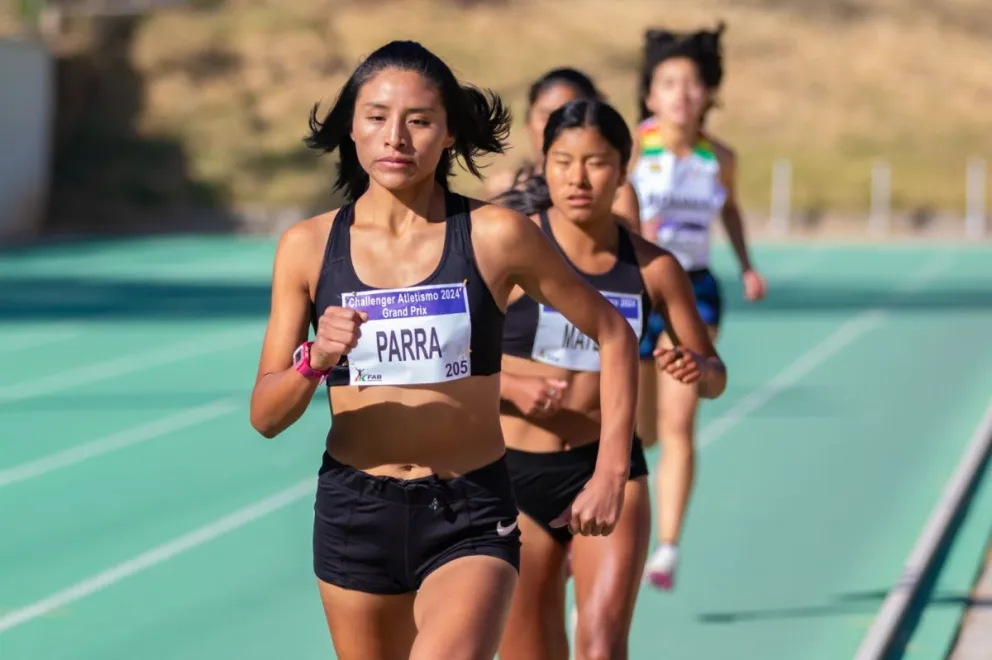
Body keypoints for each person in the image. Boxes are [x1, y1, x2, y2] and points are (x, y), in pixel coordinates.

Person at [247, 40, 640, 660]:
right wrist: (313, 360)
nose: (396, 137)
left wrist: (612, 471)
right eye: (376, 117)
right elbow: (265, 415)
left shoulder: (496, 235)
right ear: (352, 127)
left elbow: (614, 332)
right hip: (357, 511)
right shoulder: (307, 247)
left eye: (420, 120)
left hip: (469, 510)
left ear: (450, 133)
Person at [495, 98, 727, 660]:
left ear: (624, 168)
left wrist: (699, 368)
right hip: (511, 476)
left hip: (609, 468)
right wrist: (513, 388)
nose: (578, 178)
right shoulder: (508, 249)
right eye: (563, 161)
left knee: (600, 646)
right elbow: (458, 360)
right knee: (531, 649)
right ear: (544, 165)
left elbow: (716, 378)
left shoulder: (653, 267)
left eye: (596, 162)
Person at [629, 23, 767, 591]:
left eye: (692, 84)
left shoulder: (720, 158)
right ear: (650, 95)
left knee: (679, 418)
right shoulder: (633, 147)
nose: (682, 94)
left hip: (694, 291)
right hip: (636, 293)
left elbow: (730, 210)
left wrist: (747, 262)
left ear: (708, 93)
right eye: (669, 83)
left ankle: (666, 547)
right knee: (641, 431)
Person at [484, 67, 641, 230]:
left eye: (570, 117)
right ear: (528, 122)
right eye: (546, 116)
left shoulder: (619, 191)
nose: (578, 180)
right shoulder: (501, 188)